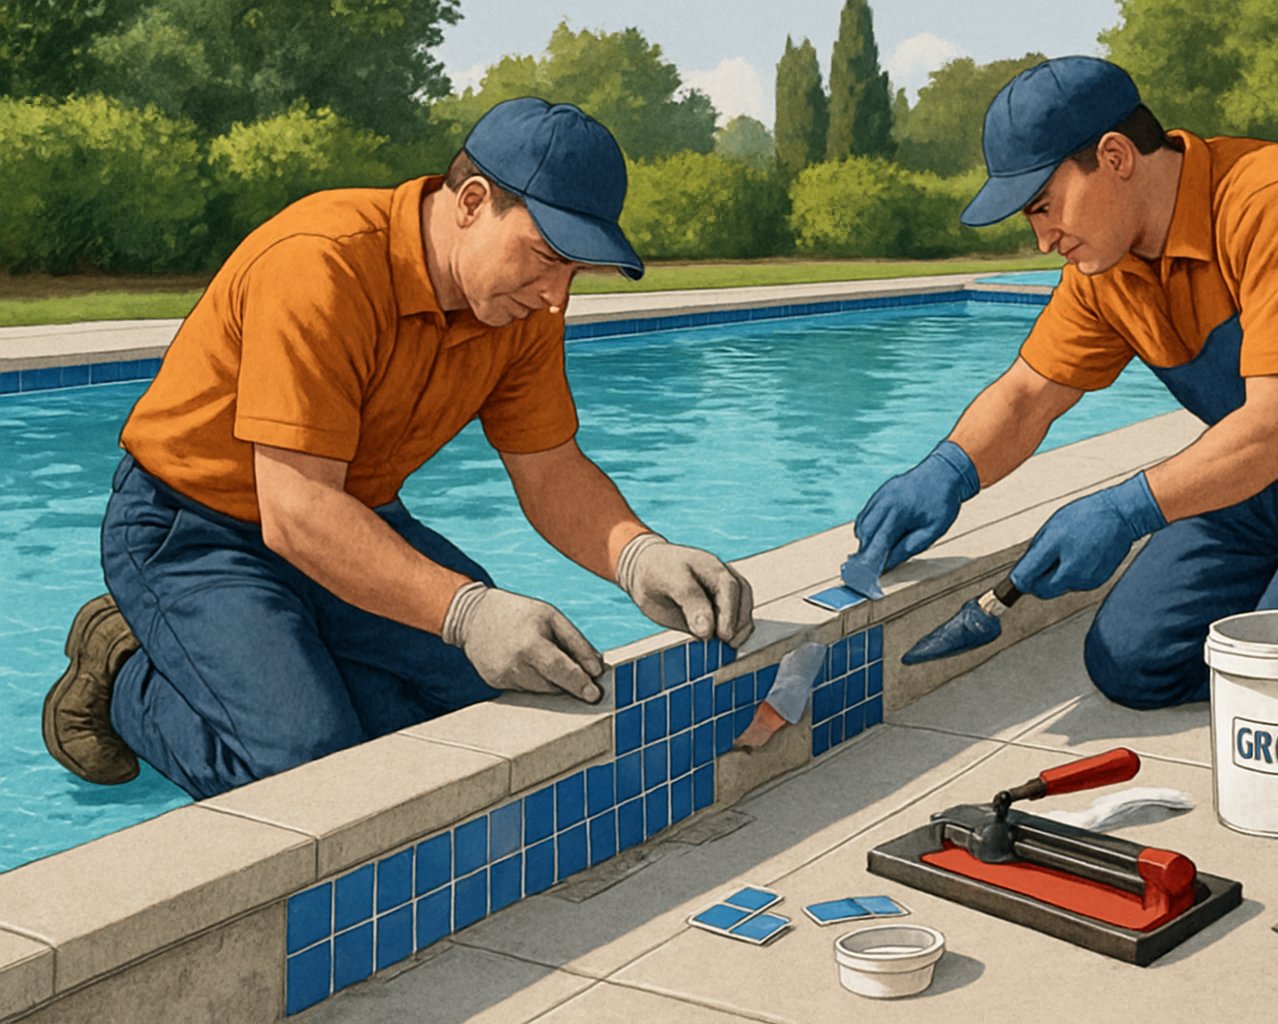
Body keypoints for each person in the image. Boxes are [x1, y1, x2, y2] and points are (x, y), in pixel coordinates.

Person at [42, 98, 754, 800]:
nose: (556, 297)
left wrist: (638, 554)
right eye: (546, 258)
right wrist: (466, 611)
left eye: (575, 273)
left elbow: (549, 468)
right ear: (473, 202)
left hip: (356, 523)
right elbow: (294, 512)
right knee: (318, 775)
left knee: (497, 706)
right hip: (194, 531)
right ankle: (129, 673)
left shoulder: (520, 309)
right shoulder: (320, 264)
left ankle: (301, 667)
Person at [846, 56, 1278, 725]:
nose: (1044, 236)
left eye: (1044, 206)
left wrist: (1127, 510)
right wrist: (947, 472)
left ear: (1114, 156)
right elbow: (1029, 394)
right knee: (1131, 661)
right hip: (1254, 483)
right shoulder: (1105, 267)